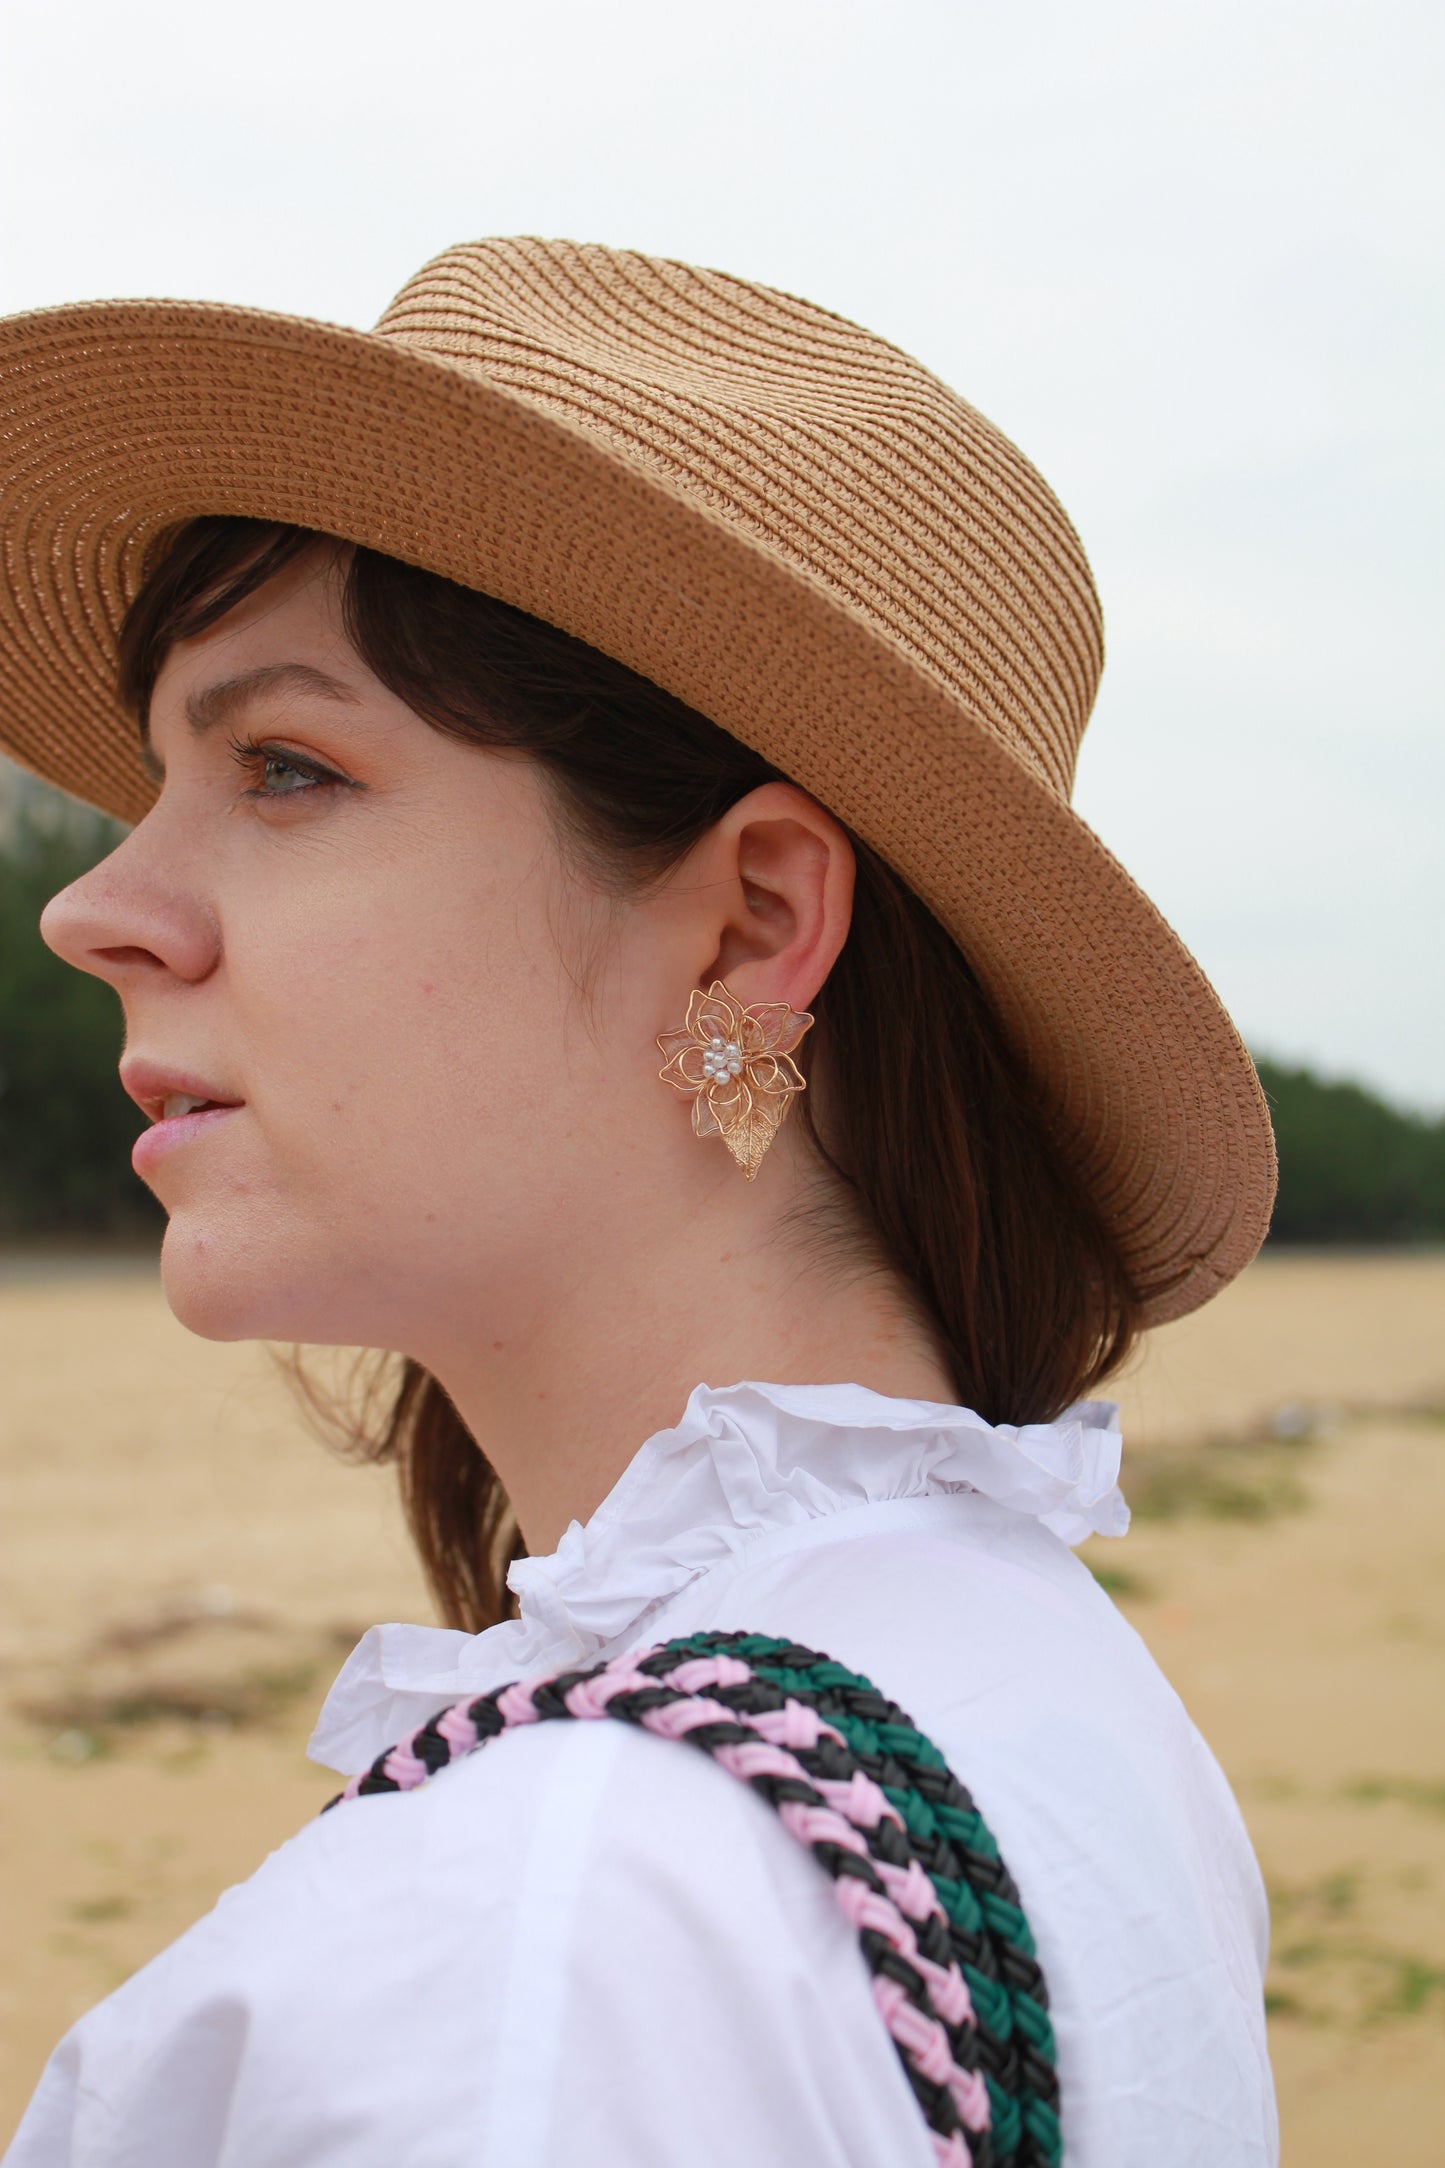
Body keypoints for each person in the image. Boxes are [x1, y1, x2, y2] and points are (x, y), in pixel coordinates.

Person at [0, 238, 1278, 2165]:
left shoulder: (543, 1954)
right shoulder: (1034, 1673)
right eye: (156, 786)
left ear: (752, 925)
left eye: (282, 767)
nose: (96, 911)